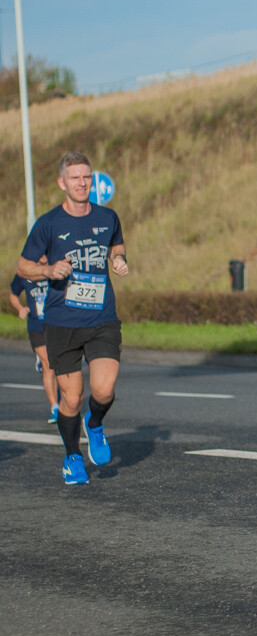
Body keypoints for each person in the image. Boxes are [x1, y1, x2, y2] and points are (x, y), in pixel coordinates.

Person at [18, 152, 129, 485]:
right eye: (76, 178)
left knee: (105, 388)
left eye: (87, 177)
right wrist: (49, 269)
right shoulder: (49, 224)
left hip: (102, 318)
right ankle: (72, 457)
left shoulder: (108, 217)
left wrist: (119, 260)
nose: (82, 183)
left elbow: (116, 246)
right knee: (71, 398)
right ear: (62, 183)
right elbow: (23, 266)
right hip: (62, 322)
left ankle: (94, 424)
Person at [9, 268, 61, 422]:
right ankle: (55, 408)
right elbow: (13, 295)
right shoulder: (24, 271)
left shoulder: (56, 266)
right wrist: (20, 308)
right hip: (36, 325)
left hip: (56, 324)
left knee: (58, 364)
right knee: (49, 365)